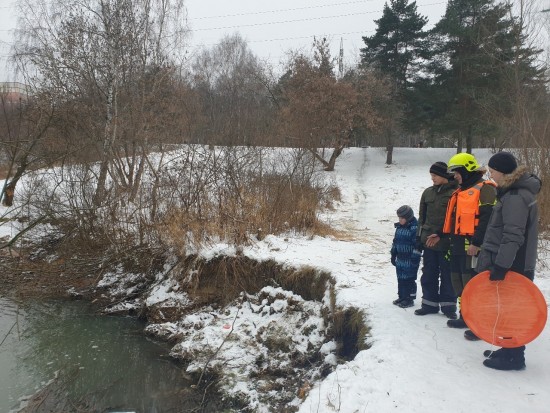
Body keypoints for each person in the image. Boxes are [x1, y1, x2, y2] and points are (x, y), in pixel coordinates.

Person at [475, 152, 541, 370]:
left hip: (513, 263)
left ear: (503, 172)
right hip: (510, 261)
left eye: (493, 171)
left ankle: (514, 356)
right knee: (505, 308)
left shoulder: (515, 197)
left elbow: (513, 235)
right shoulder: (513, 193)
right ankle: (508, 348)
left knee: (512, 309)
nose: (491, 175)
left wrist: (502, 265)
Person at [433, 153, 497, 340]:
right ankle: (465, 316)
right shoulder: (460, 191)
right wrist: (441, 233)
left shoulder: (485, 189)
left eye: (457, 172)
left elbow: (487, 219)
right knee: (459, 283)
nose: (455, 176)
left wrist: (477, 243)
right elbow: (454, 220)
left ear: (467, 170)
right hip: (458, 244)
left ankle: (479, 323)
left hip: (473, 246)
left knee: (474, 285)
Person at [414, 162, 458, 318]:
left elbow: (456, 220)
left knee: (448, 274)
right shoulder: (428, 193)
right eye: (431, 175)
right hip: (429, 242)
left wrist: (445, 236)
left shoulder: (455, 193)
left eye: (435, 175)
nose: (432, 178)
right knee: (429, 273)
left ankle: (449, 307)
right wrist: (419, 238)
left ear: (444, 175)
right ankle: (429, 304)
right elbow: (422, 217)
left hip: (447, 243)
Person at [390, 205, 421, 308]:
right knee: (401, 278)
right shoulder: (399, 227)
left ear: (408, 218)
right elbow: (395, 242)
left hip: (410, 259)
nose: (400, 220)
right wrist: (393, 254)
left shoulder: (414, 228)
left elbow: (417, 245)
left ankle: (409, 299)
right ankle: (402, 296)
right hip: (400, 258)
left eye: (402, 218)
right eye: (399, 218)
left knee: (409, 279)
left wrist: (414, 258)